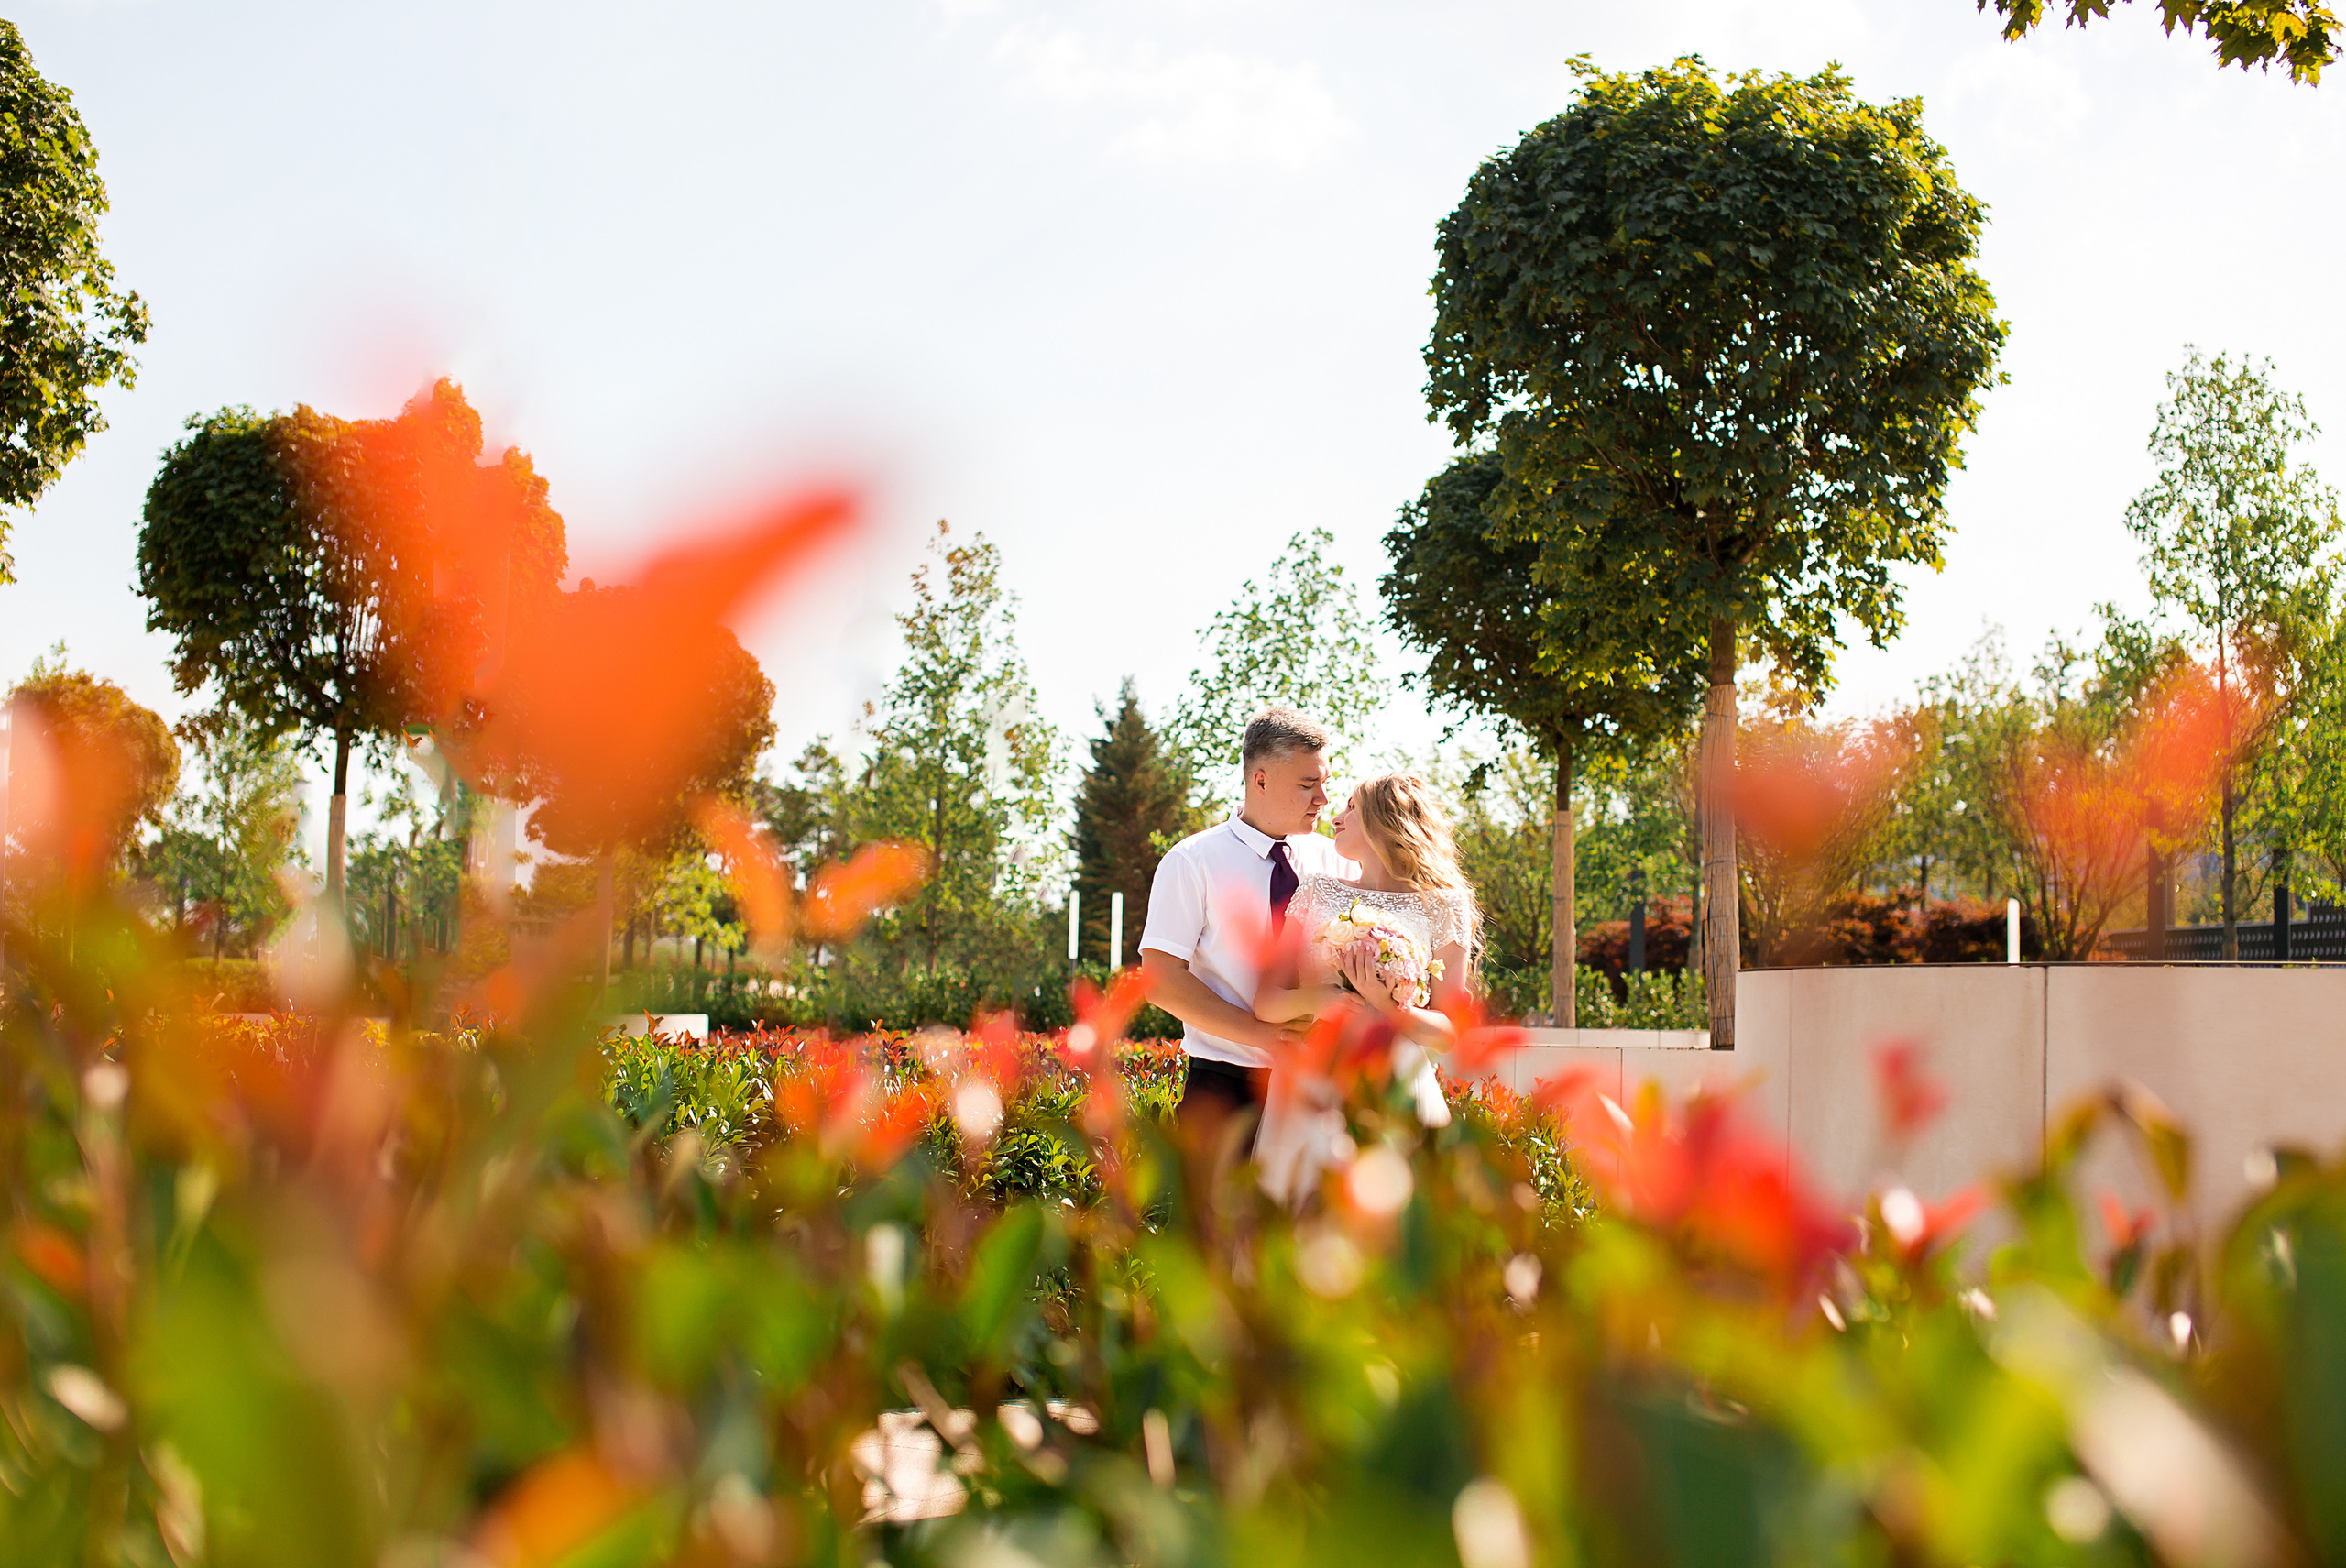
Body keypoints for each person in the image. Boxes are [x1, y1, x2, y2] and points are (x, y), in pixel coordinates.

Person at [1249, 773, 1479, 1203]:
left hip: (1396, 1084)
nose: (1336, 816)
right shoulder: (1314, 891)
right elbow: (1266, 1002)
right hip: (1314, 1079)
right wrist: (1325, 1000)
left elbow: (1450, 1033)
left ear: (1385, 820)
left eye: (1352, 807)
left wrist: (1391, 1008)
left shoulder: (1445, 905)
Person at [1138, 707, 1354, 1152]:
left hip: (1324, 1092)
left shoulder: (1338, 861)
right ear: (1260, 780)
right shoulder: (1191, 861)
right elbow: (1160, 980)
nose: (1324, 798)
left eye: (1325, 782)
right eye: (1307, 784)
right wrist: (1263, 1037)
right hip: (1225, 1093)